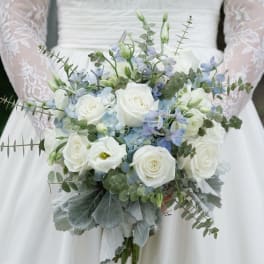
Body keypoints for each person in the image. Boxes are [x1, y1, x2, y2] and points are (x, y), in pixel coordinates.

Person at [0, 0, 264, 263]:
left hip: (198, 96)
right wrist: (61, 127)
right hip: (74, 100)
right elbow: (17, 20)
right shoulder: (65, 119)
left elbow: (252, 25)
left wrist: (203, 124)